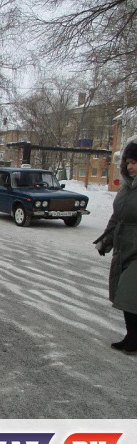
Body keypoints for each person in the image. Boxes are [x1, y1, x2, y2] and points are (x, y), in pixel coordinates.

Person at [94, 136, 137, 353]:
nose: (130, 167)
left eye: (135, 162)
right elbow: (116, 217)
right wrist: (105, 241)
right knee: (125, 295)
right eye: (128, 162)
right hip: (125, 249)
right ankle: (132, 336)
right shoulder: (126, 189)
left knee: (130, 293)